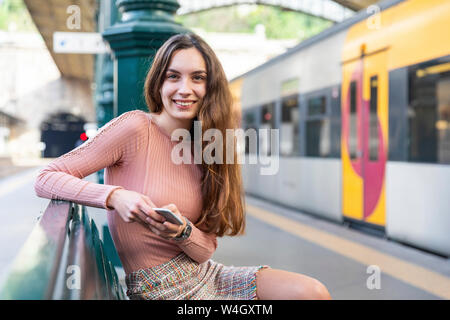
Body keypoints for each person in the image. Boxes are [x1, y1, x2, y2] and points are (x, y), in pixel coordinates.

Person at [34, 33, 331, 300]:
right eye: (173, 76)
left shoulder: (210, 144)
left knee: (312, 293)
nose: (184, 89)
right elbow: (46, 178)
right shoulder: (135, 128)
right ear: (159, 83)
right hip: (160, 291)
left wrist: (182, 231)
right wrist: (115, 196)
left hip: (207, 277)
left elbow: (206, 250)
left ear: (209, 86)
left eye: (197, 78)